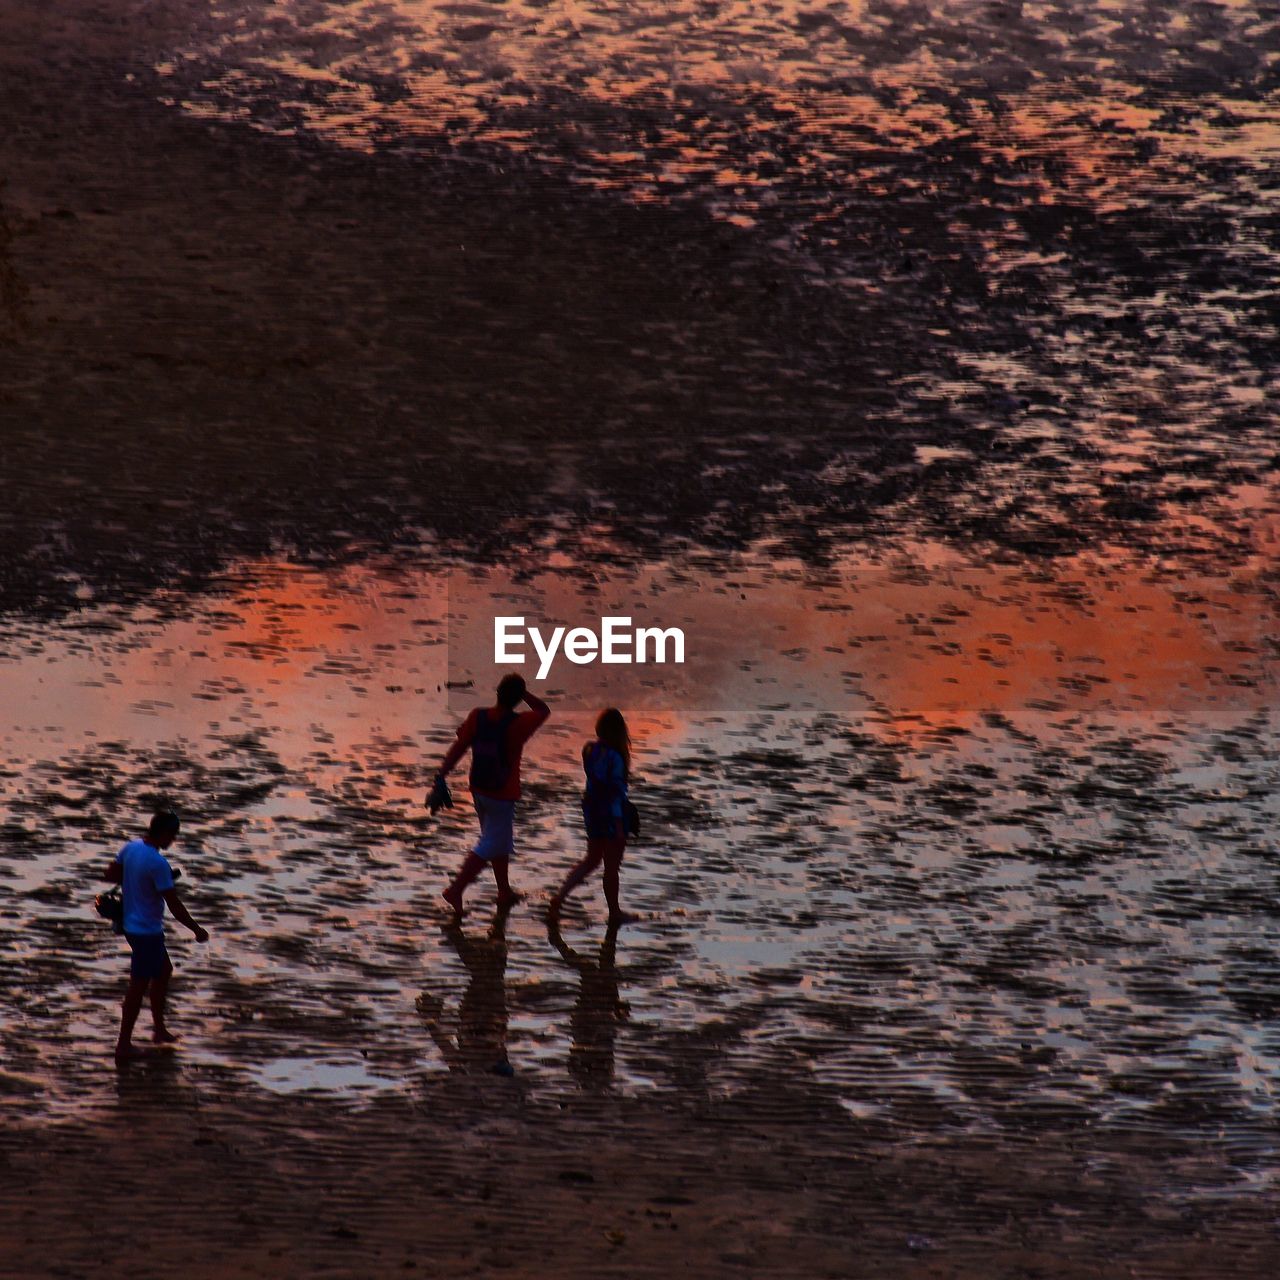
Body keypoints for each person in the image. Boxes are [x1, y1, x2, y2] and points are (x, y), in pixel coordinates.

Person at [431, 673, 550, 915]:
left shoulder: (478, 716)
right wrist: (523, 693)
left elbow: (459, 747)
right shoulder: (520, 723)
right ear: (517, 698)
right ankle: (455, 889)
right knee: (492, 841)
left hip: (479, 787)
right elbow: (543, 709)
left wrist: (442, 775)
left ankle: (504, 892)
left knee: (499, 842)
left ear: (497, 693)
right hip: (503, 792)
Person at [102, 809, 208, 1066]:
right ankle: (123, 1045)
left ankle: (159, 1030)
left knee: (163, 971)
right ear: (163, 833)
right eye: (173, 835)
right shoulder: (157, 863)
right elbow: (174, 905)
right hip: (146, 930)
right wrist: (197, 929)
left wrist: (138, 880)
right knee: (137, 987)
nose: (173, 840)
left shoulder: (132, 847)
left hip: (130, 924)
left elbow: (111, 875)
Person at [547, 708, 638, 925]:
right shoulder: (616, 757)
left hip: (592, 809)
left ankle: (559, 898)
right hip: (610, 813)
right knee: (611, 866)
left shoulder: (590, 750)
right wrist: (618, 824)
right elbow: (616, 793)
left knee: (591, 860)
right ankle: (614, 912)